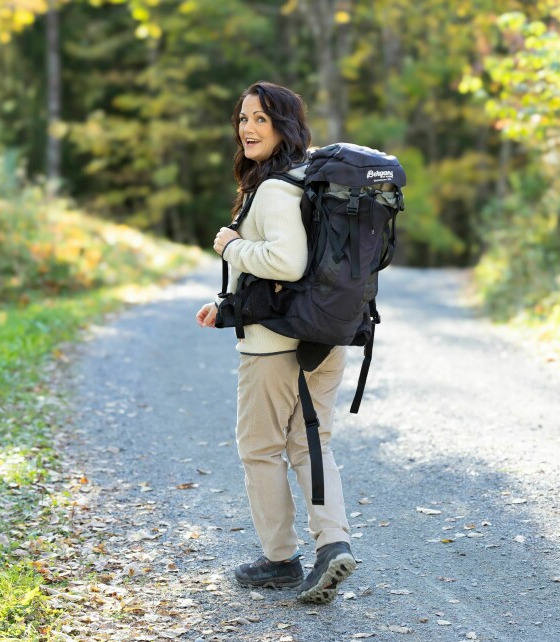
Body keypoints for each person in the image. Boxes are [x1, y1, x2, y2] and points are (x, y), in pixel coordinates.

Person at [195, 81, 355, 604]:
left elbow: (286, 263)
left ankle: (280, 559)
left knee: (259, 449)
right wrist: (226, 306)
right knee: (311, 442)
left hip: (273, 348)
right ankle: (333, 545)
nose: (248, 128)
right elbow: (292, 275)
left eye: (261, 119)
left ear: (285, 127)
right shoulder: (312, 180)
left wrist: (231, 246)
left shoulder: (274, 189)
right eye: (243, 118)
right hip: (325, 334)